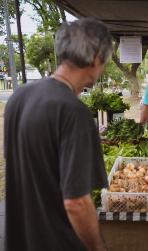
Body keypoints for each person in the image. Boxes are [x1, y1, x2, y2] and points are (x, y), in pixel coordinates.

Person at [4, 18, 112, 251]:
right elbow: (76, 202)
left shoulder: (18, 98)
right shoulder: (74, 112)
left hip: (21, 240)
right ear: (95, 58)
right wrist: (97, 247)